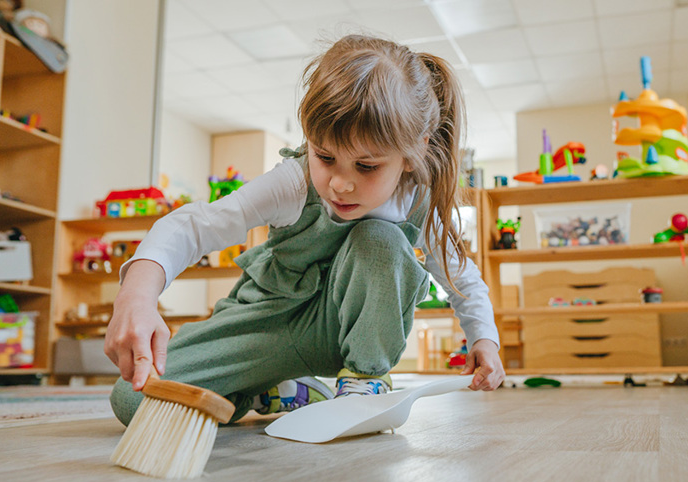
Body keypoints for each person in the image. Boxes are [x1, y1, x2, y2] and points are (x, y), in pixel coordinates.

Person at [106, 34, 505, 426]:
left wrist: (483, 339)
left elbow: (462, 277)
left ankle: (365, 383)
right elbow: (198, 226)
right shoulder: (293, 183)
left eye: (366, 166)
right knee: (134, 398)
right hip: (266, 321)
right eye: (325, 157)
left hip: (344, 334)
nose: (339, 184)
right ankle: (280, 387)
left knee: (381, 242)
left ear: (412, 153)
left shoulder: (419, 200)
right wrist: (137, 294)